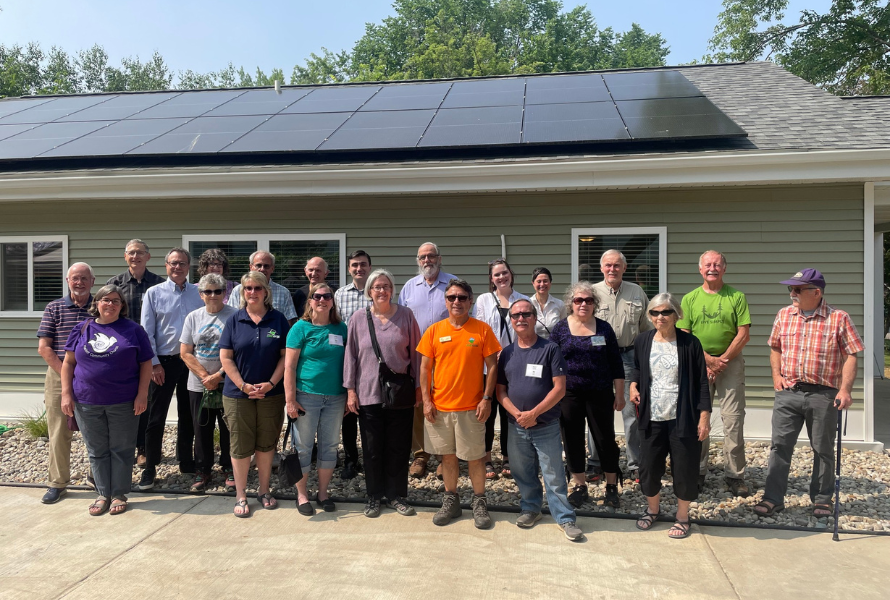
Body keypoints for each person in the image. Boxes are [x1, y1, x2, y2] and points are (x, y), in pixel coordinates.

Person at [754, 269, 864, 519]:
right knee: (779, 447)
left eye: (797, 289)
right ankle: (773, 498)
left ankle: (822, 500)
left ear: (817, 292)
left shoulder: (839, 318)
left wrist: (845, 389)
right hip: (789, 393)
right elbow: (775, 348)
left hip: (824, 395)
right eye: (790, 289)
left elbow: (851, 355)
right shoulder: (784, 315)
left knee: (823, 448)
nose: (792, 293)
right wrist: (776, 377)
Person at [61, 285, 154, 516]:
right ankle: (103, 493)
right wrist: (66, 393)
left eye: (115, 300)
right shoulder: (82, 328)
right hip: (86, 401)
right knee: (97, 449)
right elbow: (68, 363)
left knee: (121, 449)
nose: (110, 304)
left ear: (122, 305)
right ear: (97, 303)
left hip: (123, 400)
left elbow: (146, 363)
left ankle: (120, 494)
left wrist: (142, 394)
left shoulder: (133, 329)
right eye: (105, 300)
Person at [496, 299, 582, 541]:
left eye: (526, 314)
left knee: (553, 474)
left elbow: (560, 388)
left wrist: (534, 414)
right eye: (515, 316)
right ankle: (531, 508)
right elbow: (500, 391)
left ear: (534, 318)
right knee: (523, 472)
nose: (520, 319)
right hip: (516, 426)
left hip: (545, 425)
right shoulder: (507, 353)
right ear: (511, 321)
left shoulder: (550, 349)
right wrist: (517, 414)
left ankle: (565, 518)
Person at [417, 279, 501, 529]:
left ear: (470, 301)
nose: (457, 302)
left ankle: (479, 502)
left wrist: (487, 399)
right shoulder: (434, 331)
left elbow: (493, 366)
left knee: (475, 458)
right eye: (452, 297)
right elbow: (424, 369)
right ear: (445, 301)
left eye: (462, 297)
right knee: (448, 458)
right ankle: (451, 500)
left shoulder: (482, 330)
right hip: (440, 408)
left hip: (472, 408)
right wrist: (426, 401)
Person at [630, 292, 711, 539]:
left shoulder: (690, 343)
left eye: (666, 312)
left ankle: (682, 516)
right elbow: (637, 368)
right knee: (649, 467)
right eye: (655, 312)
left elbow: (701, 382)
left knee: (684, 467)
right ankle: (653, 510)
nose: (660, 317)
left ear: (676, 314)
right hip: (651, 416)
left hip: (682, 416)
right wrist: (633, 385)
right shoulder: (643, 340)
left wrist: (704, 416)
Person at [344, 269, 422, 518]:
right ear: (369, 291)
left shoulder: (406, 315)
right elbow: (351, 355)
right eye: (377, 286)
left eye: (386, 286)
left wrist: (419, 388)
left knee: (399, 447)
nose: (382, 290)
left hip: (399, 394)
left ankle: (397, 495)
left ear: (392, 289)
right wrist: (350, 391)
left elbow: (417, 356)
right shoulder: (358, 318)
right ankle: (374, 496)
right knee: (372, 448)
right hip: (368, 394)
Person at [677, 250, 752, 496]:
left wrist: (723, 360)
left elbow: (743, 333)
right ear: (700, 269)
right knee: (700, 418)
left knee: (732, 419)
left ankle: (734, 475)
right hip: (699, 362)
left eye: (717, 264)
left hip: (730, 363)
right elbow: (684, 334)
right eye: (708, 265)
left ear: (724, 268)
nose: (712, 268)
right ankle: (697, 471)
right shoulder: (689, 299)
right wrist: (708, 360)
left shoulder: (737, 296)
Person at [219, 271, 289, 518]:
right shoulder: (234, 320)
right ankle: (240, 494)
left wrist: (270, 383)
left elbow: (285, 357)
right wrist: (243, 385)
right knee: (240, 446)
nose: (252, 292)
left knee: (266, 443)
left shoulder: (278, 320)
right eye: (247, 288)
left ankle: (263, 489)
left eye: (257, 288)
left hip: (271, 394)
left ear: (265, 291)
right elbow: (226, 357)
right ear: (242, 291)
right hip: (238, 394)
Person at [550, 281, 625, 509]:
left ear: (595, 304)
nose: (583, 304)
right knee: (571, 439)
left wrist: (619, 394)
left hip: (600, 392)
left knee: (604, 439)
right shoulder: (561, 329)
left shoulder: (604, 329)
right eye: (578, 300)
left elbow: (616, 363)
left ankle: (611, 486)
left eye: (588, 300)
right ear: (571, 304)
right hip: (569, 394)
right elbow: (551, 363)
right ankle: (580, 486)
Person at [136, 248, 203, 491]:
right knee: (156, 417)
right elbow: (146, 331)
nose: (178, 267)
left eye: (182, 263)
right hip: (162, 363)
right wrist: (153, 363)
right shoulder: (154, 293)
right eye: (173, 263)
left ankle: (186, 461)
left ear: (188, 267)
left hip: (191, 362)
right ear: (166, 266)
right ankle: (150, 466)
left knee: (189, 413)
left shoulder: (198, 293)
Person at [285, 282, 348, 516]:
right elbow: (289, 367)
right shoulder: (300, 328)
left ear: (332, 301)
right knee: (303, 446)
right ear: (310, 301)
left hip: (335, 398)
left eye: (326, 296)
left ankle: (322, 493)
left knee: (330, 446)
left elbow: (349, 363)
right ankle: (302, 495)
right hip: (306, 396)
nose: (322, 300)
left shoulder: (341, 328)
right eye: (317, 296)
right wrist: (290, 400)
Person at [589, 250, 652, 483]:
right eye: (608, 265)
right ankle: (595, 463)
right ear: (601, 267)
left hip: (629, 356)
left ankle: (635, 464)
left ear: (624, 268)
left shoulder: (637, 292)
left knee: (631, 414)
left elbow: (646, 329)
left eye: (617, 265)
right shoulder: (592, 293)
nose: (612, 269)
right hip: (599, 359)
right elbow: (581, 325)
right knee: (596, 412)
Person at [37, 262, 95, 504]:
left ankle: (99, 478)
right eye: (74, 278)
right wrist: (66, 375)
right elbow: (44, 347)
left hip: (94, 376)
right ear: (67, 281)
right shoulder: (55, 308)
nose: (79, 282)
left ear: (92, 281)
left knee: (96, 430)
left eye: (84, 278)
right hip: (58, 372)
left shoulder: (99, 306)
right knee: (59, 430)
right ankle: (57, 483)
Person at [398, 242, 457, 479]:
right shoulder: (409, 288)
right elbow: (401, 321)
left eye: (431, 256)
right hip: (417, 357)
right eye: (422, 257)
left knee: (445, 404)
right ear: (418, 261)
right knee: (419, 405)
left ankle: (446, 456)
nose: (427, 260)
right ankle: (421, 455)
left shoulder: (453, 284)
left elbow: (464, 317)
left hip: (448, 358)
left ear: (439, 259)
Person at [106, 239, 164, 468]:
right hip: (122, 352)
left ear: (148, 257)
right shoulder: (115, 284)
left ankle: (143, 449)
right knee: (123, 401)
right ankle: (123, 448)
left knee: (147, 401)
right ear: (125, 256)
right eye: (131, 253)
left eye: (140, 253)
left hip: (149, 352)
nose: (135, 256)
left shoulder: (159, 285)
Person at [180, 273, 238, 493]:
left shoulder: (235, 316)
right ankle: (202, 469)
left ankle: (229, 467)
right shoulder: (193, 317)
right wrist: (205, 377)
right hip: (198, 385)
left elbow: (239, 352)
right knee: (201, 428)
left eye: (218, 291)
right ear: (201, 294)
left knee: (228, 428)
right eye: (208, 291)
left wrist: (219, 376)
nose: (213, 295)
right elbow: (185, 352)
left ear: (225, 293)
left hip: (228, 383)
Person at [474, 258, 528, 480]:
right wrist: (489, 352)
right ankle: (486, 458)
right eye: (496, 274)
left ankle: (508, 456)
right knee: (487, 414)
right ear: (491, 278)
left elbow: (527, 332)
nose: (501, 277)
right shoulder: (484, 300)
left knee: (509, 414)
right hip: (489, 366)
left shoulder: (522, 300)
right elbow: (478, 331)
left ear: (511, 274)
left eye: (504, 273)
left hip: (514, 365)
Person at [333, 249, 373, 480]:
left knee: (368, 412)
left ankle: (371, 459)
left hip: (370, 361)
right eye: (355, 265)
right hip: (345, 359)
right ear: (349, 268)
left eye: (363, 264)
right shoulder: (339, 294)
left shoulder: (377, 291)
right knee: (348, 412)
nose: (359, 268)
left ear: (369, 266)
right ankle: (350, 459)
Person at [227, 251, 298, 324]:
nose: (262, 269)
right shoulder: (238, 290)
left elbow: (288, 322)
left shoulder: (283, 292)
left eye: (266, 266)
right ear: (251, 267)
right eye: (258, 265)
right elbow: (230, 316)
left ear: (272, 269)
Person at [529, 267, 566, 340]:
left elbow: (564, 329)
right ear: (533, 283)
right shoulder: (528, 304)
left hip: (554, 347)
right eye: (539, 281)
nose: (542, 284)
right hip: (533, 348)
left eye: (545, 281)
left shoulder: (559, 304)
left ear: (550, 283)